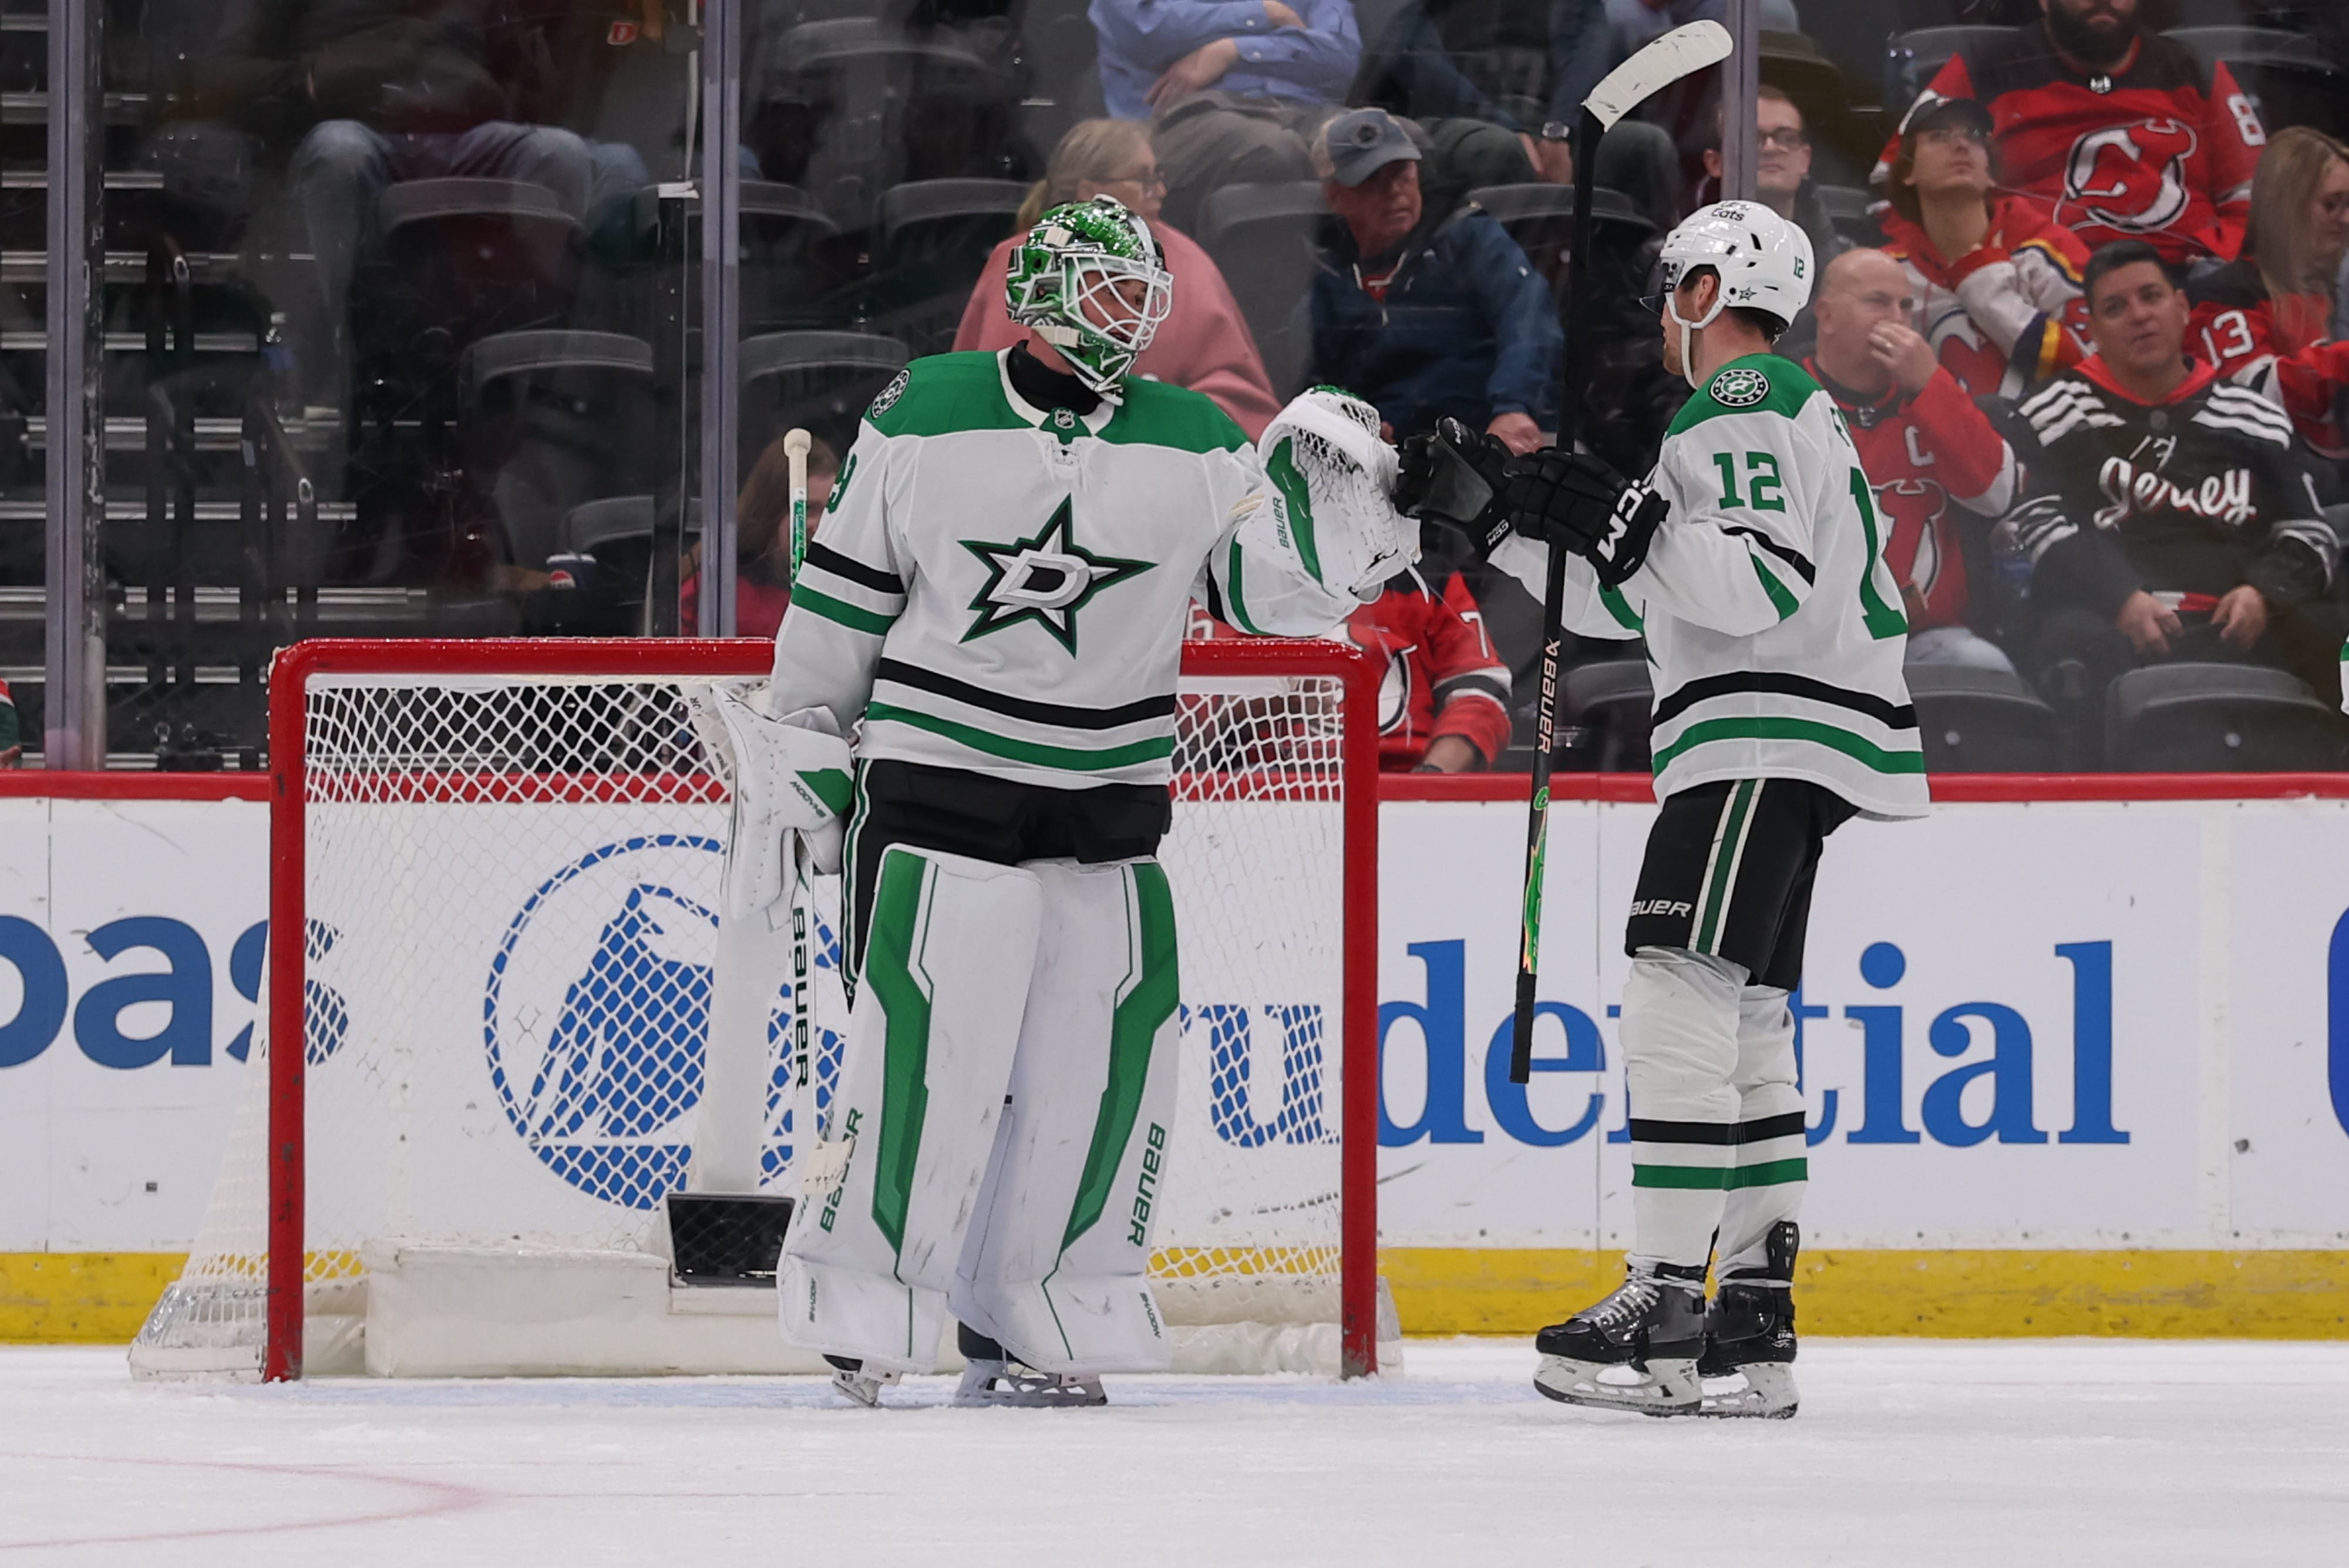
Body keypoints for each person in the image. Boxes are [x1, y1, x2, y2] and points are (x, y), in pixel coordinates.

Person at [747, 197, 1405, 1408]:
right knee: (927, 1058)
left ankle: (1044, 1316)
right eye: (1099, 290)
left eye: (1135, 292)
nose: (1123, 313)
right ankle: (864, 1310)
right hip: (940, 780)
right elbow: (843, 597)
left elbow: (1266, 597)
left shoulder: (1201, 437)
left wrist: (1352, 549)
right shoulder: (924, 406)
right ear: (1035, 295)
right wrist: (804, 743)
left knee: (1102, 1065)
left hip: (1108, 797)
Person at [1402, 198, 1927, 1419]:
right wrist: (1509, 522)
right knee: (1741, 1021)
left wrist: (1616, 525)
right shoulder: (1770, 414)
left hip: (1758, 727)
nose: (1661, 312)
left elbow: (1742, 585)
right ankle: (1749, 1322)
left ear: (1707, 290)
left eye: (1674, 288)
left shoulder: (1737, 404)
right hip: (1782, 733)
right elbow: (1655, 604)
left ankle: (1662, 1304)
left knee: (1674, 984)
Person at [2013, 241, 2340, 726]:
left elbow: (2313, 535)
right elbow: (2033, 525)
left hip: (2243, 619)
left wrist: (2262, 593)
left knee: (2334, 634)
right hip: (2107, 619)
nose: (2139, 316)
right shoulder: (2051, 411)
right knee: (2066, 644)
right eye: (2116, 308)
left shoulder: (2253, 416)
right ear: (2094, 329)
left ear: (2183, 307)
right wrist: (2121, 596)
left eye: (2151, 297)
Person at [954, 120, 1282, 438]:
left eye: (1158, 176)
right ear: (1092, 192)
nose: (1160, 192)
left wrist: (1162, 417)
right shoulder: (1023, 259)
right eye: (1143, 179)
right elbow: (982, 392)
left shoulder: (1189, 261)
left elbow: (1238, 396)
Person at [1878, 0, 2265, 268]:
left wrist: (2224, 265)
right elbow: (1894, 184)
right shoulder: (1985, 69)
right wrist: (1959, 267)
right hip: (2032, 287)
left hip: (2180, 291)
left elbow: (2261, 198)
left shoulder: (2195, 72)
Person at [1808, 250, 2020, 671]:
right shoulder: (1782, 401)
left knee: (1984, 669)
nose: (1897, 318)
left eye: (1905, 306)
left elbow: (1998, 495)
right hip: (1811, 642)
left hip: (1929, 640)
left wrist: (1931, 386)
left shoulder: (1933, 397)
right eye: (1878, 302)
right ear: (1827, 316)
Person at [1305, 108, 1562, 455]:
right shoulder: (1325, 275)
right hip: (1382, 458)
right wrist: (1350, 425)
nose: (1395, 191)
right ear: (1334, 196)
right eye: (1372, 180)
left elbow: (1527, 320)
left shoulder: (1469, 237)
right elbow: (1314, 381)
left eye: (1402, 173)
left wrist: (1514, 407)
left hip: (1484, 441)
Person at [1186, 557, 1514, 769]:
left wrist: (1430, 779)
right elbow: (1194, 714)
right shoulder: (1235, 581)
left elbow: (1481, 692)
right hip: (1271, 792)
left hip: (1403, 779)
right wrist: (1282, 695)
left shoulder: (1428, 578)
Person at [1877, 95, 2091, 399]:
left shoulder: (2050, 249)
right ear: (1907, 172)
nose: (1961, 145)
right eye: (1939, 136)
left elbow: (2094, 369)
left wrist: (1984, 283)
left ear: (1989, 170)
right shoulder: (1886, 272)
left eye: (1974, 136)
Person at [1088, 0, 1360, 235]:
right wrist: (1264, 13)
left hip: (1304, 110)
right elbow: (1149, 30)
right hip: (1186, 120)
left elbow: (1343, 59)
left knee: (1382, 140)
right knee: (1269, 150)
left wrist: (1233, 51)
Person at [2188, 127, 2349, 457]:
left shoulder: (2338, 287)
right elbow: (2248, 398)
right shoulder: (2221, 295)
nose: (2346, 219)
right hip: (2276, 489)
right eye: (2332, 205)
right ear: (2286, 206)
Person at [679, 435, 839, 642]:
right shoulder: (714, 594)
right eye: (807, 510)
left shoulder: (841, 591)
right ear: (769, 510)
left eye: (831, 511)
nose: (821, 526)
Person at [1698, 86, 1847, 272]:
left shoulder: (1845, 260)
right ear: (1715, 162)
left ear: (1805, 159)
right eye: (1751, 138)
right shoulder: (1669, 256)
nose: (1770, 149)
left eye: (1787, 138)